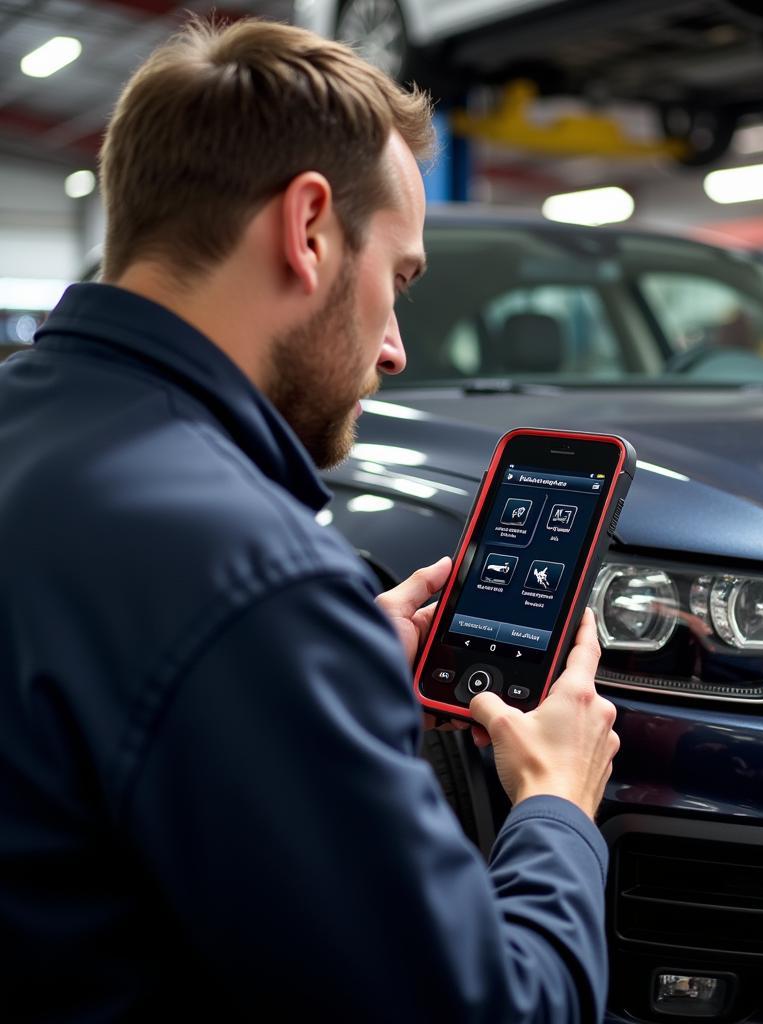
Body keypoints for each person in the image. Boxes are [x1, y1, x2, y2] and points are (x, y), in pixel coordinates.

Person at [0, 18, 619, 1023]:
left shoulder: (28, 431)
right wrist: (555, 804)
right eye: (399, 281)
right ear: (310, 229)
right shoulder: (249, 578)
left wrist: (318, 666)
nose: (395, 350)